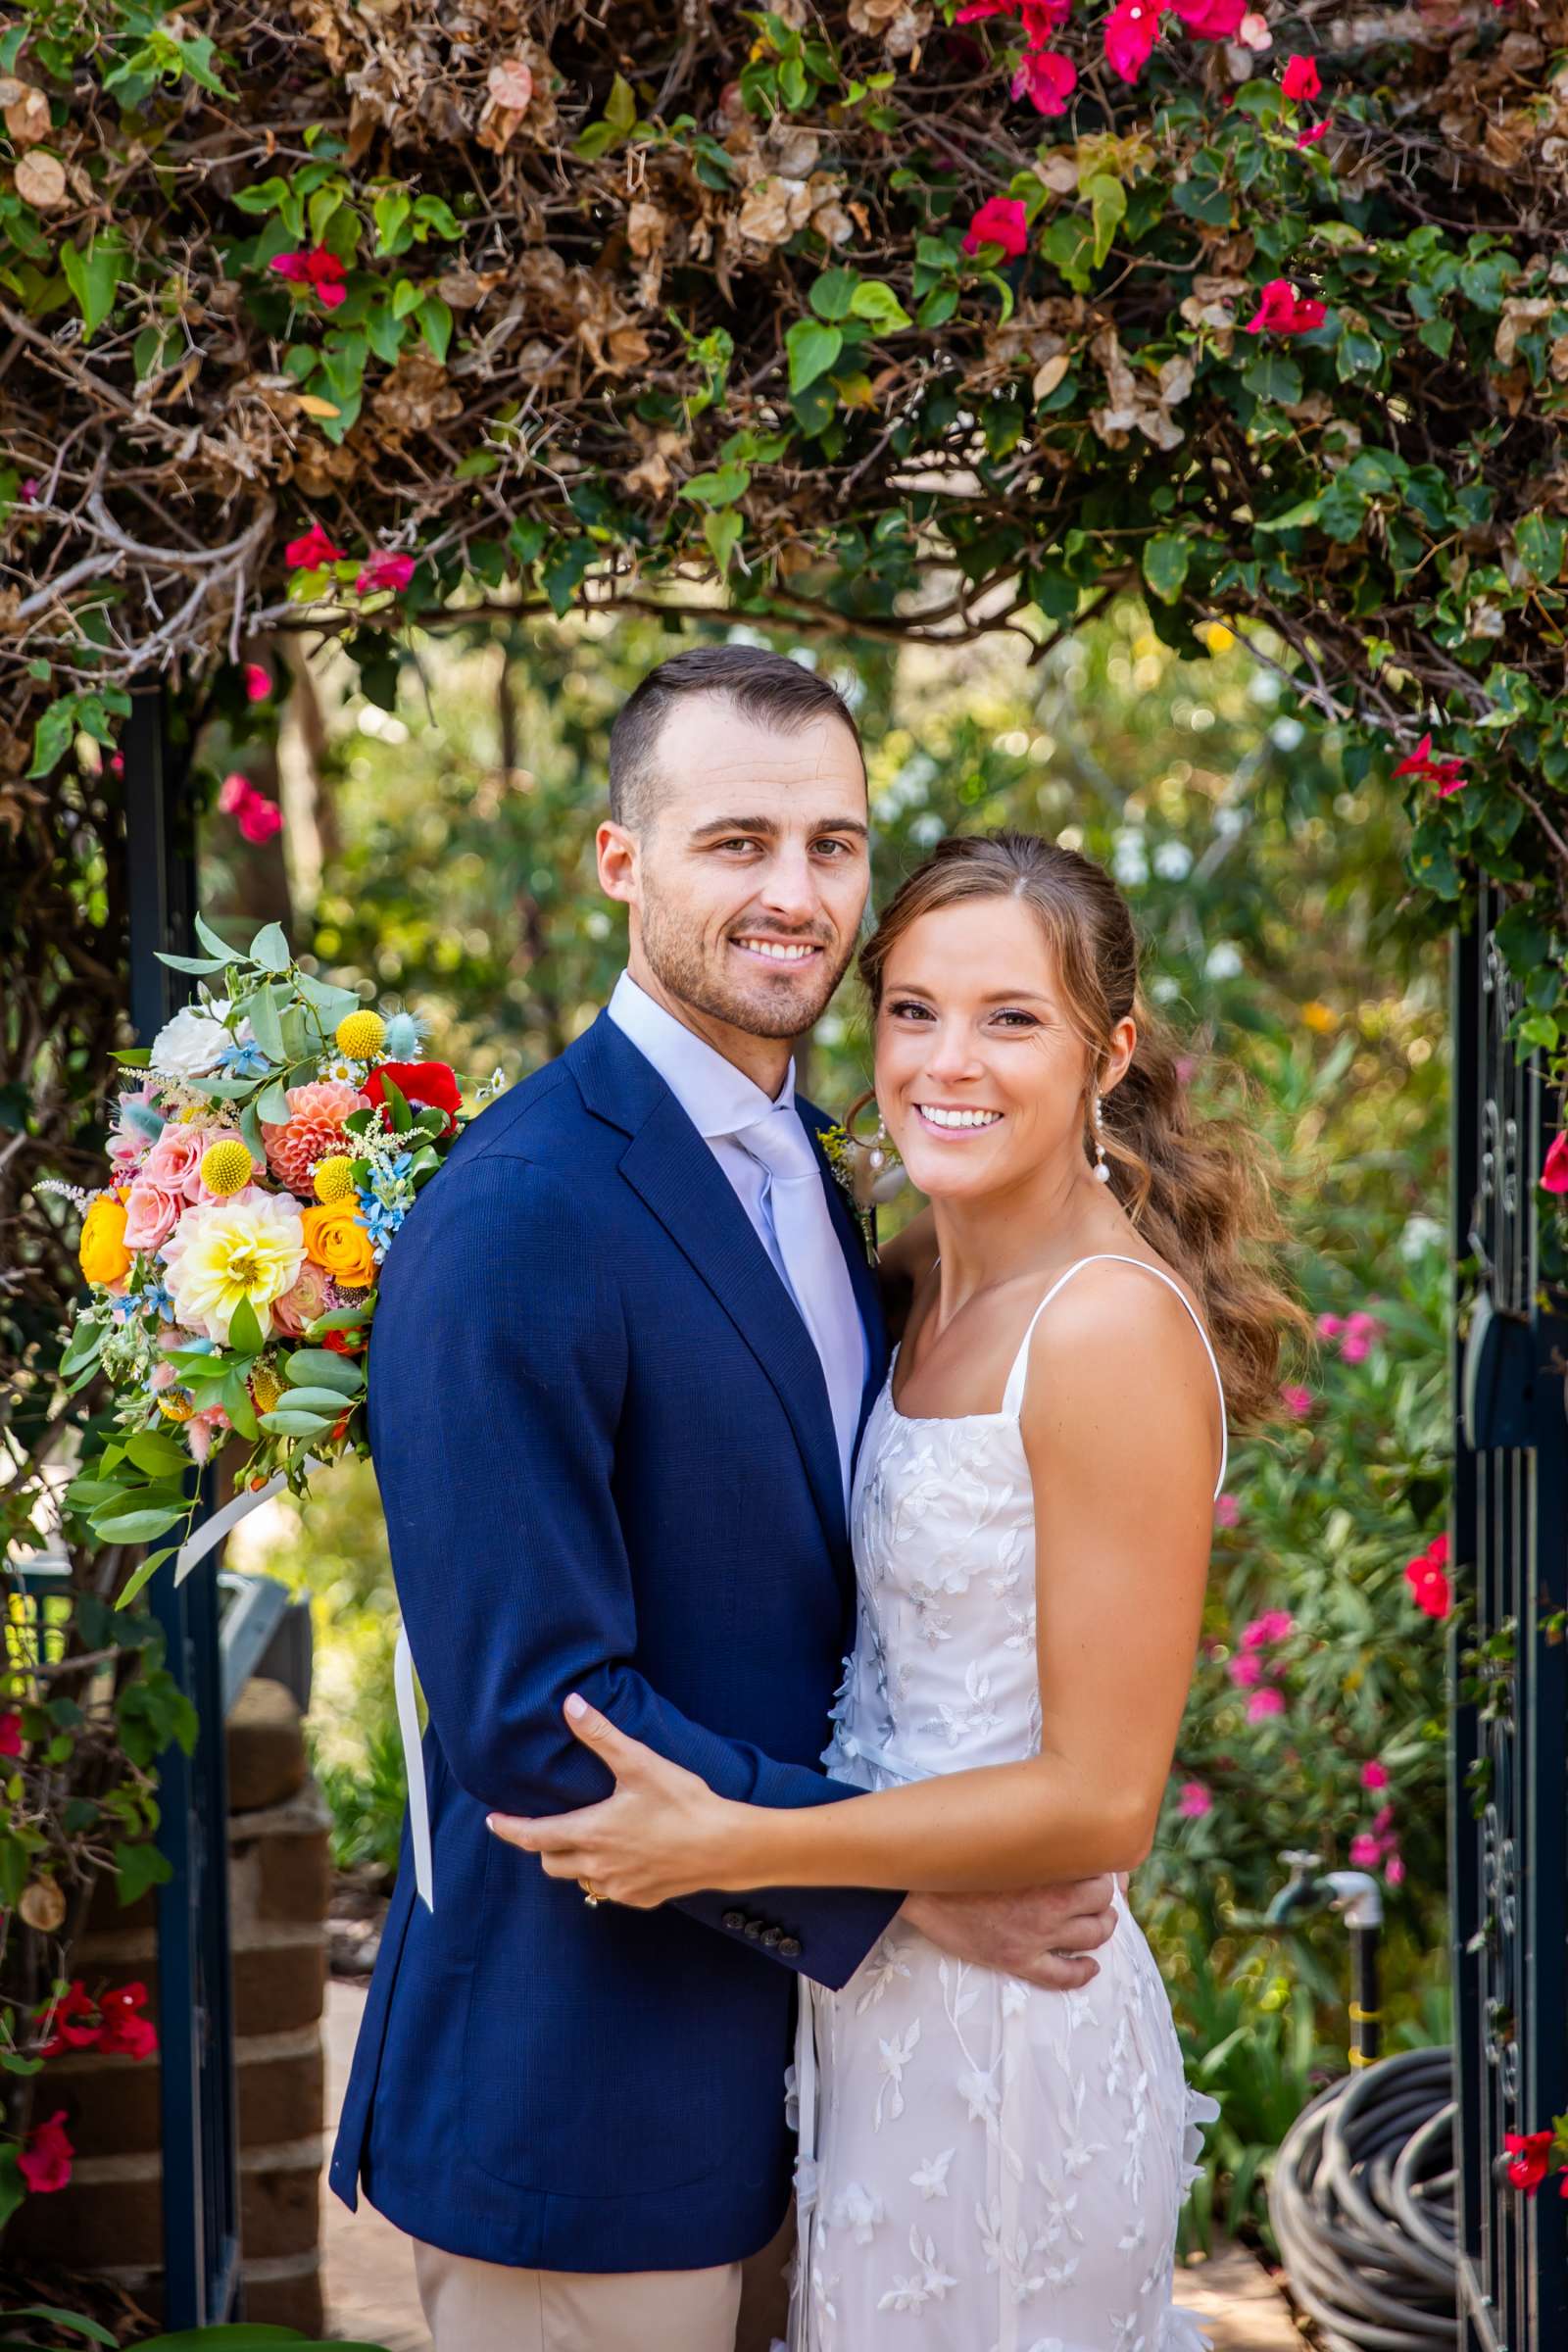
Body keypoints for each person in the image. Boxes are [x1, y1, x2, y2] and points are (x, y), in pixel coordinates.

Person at [328, 653, 1123, 2352]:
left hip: (825, 2095)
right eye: (737, 840)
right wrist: (901, 1895)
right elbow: (545, 1729)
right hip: (591, 2103)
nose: (795, 894)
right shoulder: (523, 1208)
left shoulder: (822, 1176)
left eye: (833, 846)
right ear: (623, 862)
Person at [487, 829, 1302, 2350]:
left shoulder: (1107, 1332)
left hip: (1014, 2036)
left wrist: (743, 1841)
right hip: (872, 2004)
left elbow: (1101, 1802)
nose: (949, 1060)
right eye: (913, 1009)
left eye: (1011, 1018)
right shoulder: (913, 1277)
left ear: (1107, 1053)